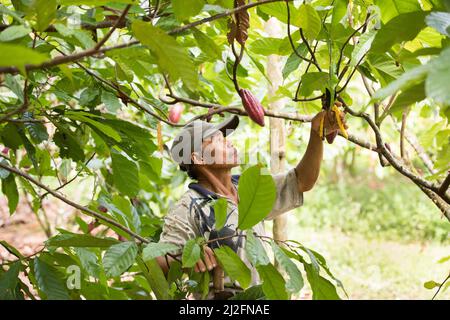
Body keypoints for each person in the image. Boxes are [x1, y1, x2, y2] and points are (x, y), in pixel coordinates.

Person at [156, 108, 348, 299]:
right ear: (197, 157)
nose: (229, 142)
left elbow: (302, 181)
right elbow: (158, 261)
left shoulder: (248, 189)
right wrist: (188, 256)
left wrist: (316, 134)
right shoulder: (189, 206)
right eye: (218, 140)